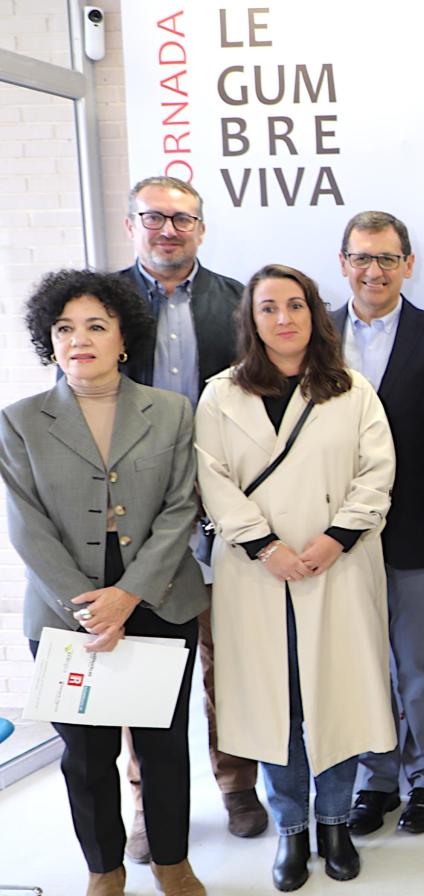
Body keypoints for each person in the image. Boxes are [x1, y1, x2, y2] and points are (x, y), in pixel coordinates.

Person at [1, 270, 209, 896]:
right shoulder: (20, 421)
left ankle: (173, 862)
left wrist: (129, 594)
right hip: (68, 613)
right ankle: (104, 873)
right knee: (86, 757)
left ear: (123, 339)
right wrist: (90, 607)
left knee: (163, 747)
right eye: (64, 328)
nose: (79, 339)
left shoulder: (170, 411)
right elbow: (26, 527)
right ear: (50, 341)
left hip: (159, 598)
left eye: (96, 325)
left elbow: (180, 509)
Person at [195, 265, 397, 892]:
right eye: (269, 308)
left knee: (334, 696)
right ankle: (291, 829)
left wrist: (336, 538)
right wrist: (264, 546)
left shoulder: (351, 389)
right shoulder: (221, 395)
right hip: (257, 574)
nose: (283, 319)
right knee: (275, 707)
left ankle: (335, 824)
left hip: (336, 566)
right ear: (251, 320)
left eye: (295, 306)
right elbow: (212, 481)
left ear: (314, 313)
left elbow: (377, 472)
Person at [114, 175, 263, 855]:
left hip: (220, 506)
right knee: (143, 661)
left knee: (227, 658)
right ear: (132, 224)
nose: (168, 230)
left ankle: (237, 784)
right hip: (135, 513)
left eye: (182, 219)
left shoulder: (238, 303)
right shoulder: (102, 304)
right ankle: (147, 804)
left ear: (201, 229)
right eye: (155, 217)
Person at [331, 211, 424, 837]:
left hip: (414, 527)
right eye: (362, 257)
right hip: (332, 536)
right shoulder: (315, 334)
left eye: (387, 258)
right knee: (359, 665)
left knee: (418, 665)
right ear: (343, 264)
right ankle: (375, 780)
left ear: (407, 265)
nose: (374, 270)